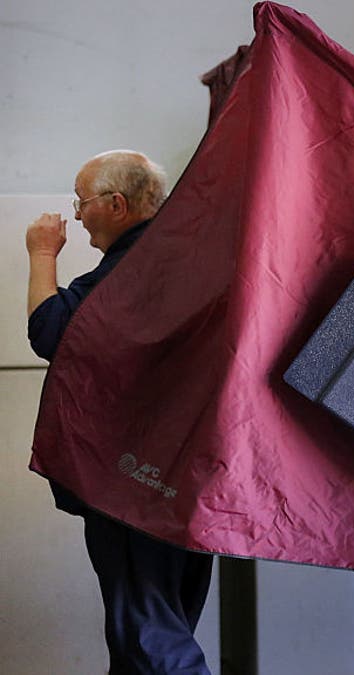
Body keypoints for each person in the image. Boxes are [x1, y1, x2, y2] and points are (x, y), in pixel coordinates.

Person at [25, 150, 214, 675]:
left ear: (116, 204)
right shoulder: (186, 259)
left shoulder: (133, 269)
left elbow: (50, 331)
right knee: (162, 627)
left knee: (150, 641)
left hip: (133, 485)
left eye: (82, 202)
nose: (77, 215)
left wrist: (42, 253)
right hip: (186, 479)